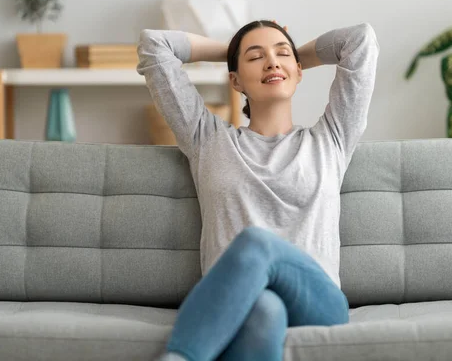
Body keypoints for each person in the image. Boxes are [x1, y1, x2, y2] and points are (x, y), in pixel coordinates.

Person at [136, 19, 379, 361]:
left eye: (281, 54)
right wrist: (232, 48)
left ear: (298, 70)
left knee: (257, 241)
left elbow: (360, 40)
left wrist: (292, 57)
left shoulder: (332, 138)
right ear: (234, 80)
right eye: (255, 57)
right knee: (264, 308)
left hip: (318, 300)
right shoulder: (208, 140)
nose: (272, 62)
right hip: (241, 301)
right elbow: (154, 45)